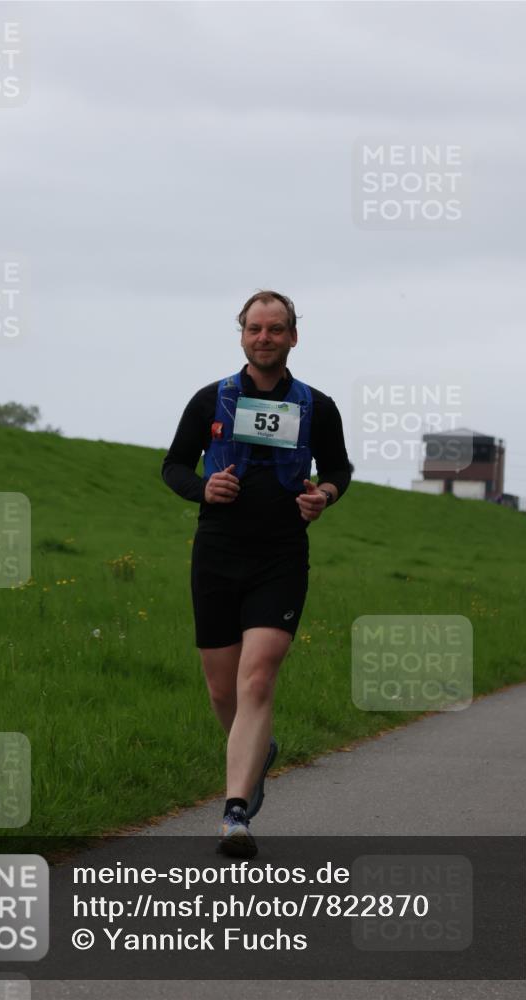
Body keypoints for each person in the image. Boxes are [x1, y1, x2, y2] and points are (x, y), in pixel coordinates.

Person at [161, 290, 352, 857]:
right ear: (241, 334)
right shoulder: (209, 400)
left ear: (294, 336)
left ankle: (234, 813)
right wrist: (203, 487)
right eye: (255, 329)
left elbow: (338, 465)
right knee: (223, 688)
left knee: (257, 677)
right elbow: (172, 464)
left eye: (276, 329)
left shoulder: (317, 405)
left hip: (281, 555)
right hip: (218, 552)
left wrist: (326, 493)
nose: (264, 338)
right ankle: (257, 752)